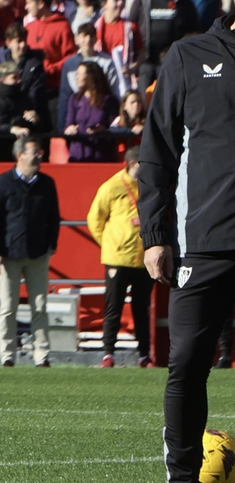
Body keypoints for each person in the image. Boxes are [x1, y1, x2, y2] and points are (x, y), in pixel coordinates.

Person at [138, 0, 235, 483]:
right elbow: (157, 152)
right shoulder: (189, 55)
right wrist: (156, 235)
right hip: (204, 241)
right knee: (187, 365)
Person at [0, 136, 59, 369]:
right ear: (19, 155)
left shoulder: (46, 183)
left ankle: (42, 356)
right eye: (34, 151)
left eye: (39, 151)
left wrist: (51, 245)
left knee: (40, 306)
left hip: (38, 254)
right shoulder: (3, 183)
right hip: (9, 255)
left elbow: (54, 217)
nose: (39, 155)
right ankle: (7, 356)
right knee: (8, 308)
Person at [87, 146, 152, 369]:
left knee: (142, 309)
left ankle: (144, 355)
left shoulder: (149, 185)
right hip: (117, 258)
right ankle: (108, 354)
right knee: (113, 307)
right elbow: (94, 219)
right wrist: (108, 244)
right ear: (133, 164)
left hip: (143, 257)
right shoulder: (112, 186)